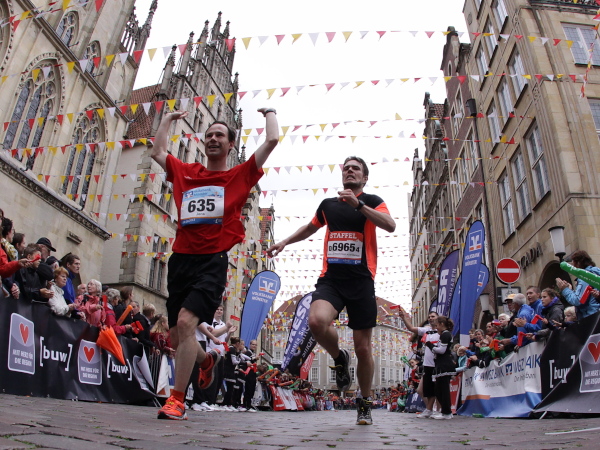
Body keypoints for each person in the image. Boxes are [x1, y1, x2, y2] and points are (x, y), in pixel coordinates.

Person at [152, 107, 279, 420]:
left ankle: (177, 400)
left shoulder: (238, 175)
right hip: (181, 259)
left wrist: (270, 113)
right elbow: (158, 152)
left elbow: (272, 140)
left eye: (219, 135)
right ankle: (207, 361)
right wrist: (167, 120)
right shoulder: (186, 172)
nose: (212, 139)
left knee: (186, 323)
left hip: (212, 261)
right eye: (209, 135)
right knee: (176, 337)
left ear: (230, 144)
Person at [267, 156, 396, 425]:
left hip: (361, 281)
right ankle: (339, 357)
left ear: (364, 177)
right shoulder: (328, 205)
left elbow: (390, 225)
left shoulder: (372, 201)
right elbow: (309, 228)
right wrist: (285, 241)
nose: (349, 171)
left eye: (355, 168)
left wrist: (358, 205)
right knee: (316, 321)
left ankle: (364, 403)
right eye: (346, 168)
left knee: (364, 349)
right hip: (332, 280)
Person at [399, 310, 440, 419]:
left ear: (438, 318)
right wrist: (403, 318)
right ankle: (429, 409)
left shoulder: (441, 331)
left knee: (437, 389)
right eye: (429, 317)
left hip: (437, 364)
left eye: (433, 316)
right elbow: (412, 328)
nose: (430, 318)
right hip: (427, 364)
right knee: (421, 390)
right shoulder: (427, 330)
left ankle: (438, 410)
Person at [427, 316, 455, 420]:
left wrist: (430, 346)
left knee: (443, 389)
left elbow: (442, 350)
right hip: (440, 364)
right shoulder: (443, 335)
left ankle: (447, 412)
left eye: (437, 325)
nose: (436, 327)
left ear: (442, 324)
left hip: (444, 364)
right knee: (438, 390)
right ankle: (445, 411)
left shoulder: (446, 334)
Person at [557, 250, 600, 319]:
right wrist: (571, 290)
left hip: (591, 316)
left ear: (578, 263)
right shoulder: (596, 272)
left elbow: (578, 301)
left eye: (573, 263)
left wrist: (565, 289)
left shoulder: (584, 276)